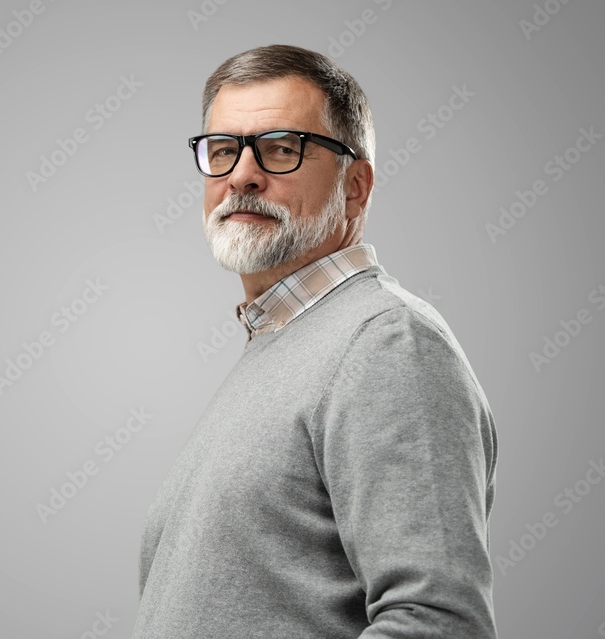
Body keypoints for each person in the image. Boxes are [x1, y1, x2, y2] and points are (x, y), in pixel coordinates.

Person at [133, 44, 499, 638]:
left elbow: (437, 622)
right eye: (223, 150)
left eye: (281, 149)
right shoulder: (279, 346)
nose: (242, 175)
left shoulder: (386, 343)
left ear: (355, 187)